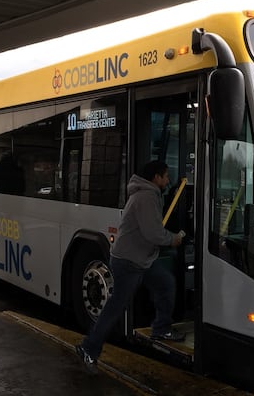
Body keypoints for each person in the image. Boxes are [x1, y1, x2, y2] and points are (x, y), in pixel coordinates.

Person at [75, 160, 185, 374]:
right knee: (116, 306)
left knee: (165, 284)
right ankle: (88, 347)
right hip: (129, 262)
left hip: (141, 259)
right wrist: (174, 239)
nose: (168, 180)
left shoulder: (149, 194)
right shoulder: (146, 197)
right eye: (165, 176)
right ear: (156, 177)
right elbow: (153, 232)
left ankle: (161, 329)